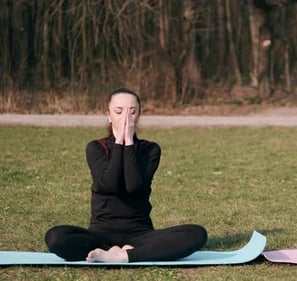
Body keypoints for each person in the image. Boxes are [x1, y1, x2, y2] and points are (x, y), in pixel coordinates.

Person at [45, 88, 207, 262]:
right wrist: (118, 143)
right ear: (108, 116)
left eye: (132, 112)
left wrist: (129, 141)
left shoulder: (150, 149)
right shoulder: (96, 147)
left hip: (140, 234)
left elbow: (134, 186)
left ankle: (126, 256)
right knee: (56, 237)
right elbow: (109, 184)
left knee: (196, 234)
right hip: (101, 233)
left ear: (138, 116)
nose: (126, 117)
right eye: (119, 111)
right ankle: (111, 250)